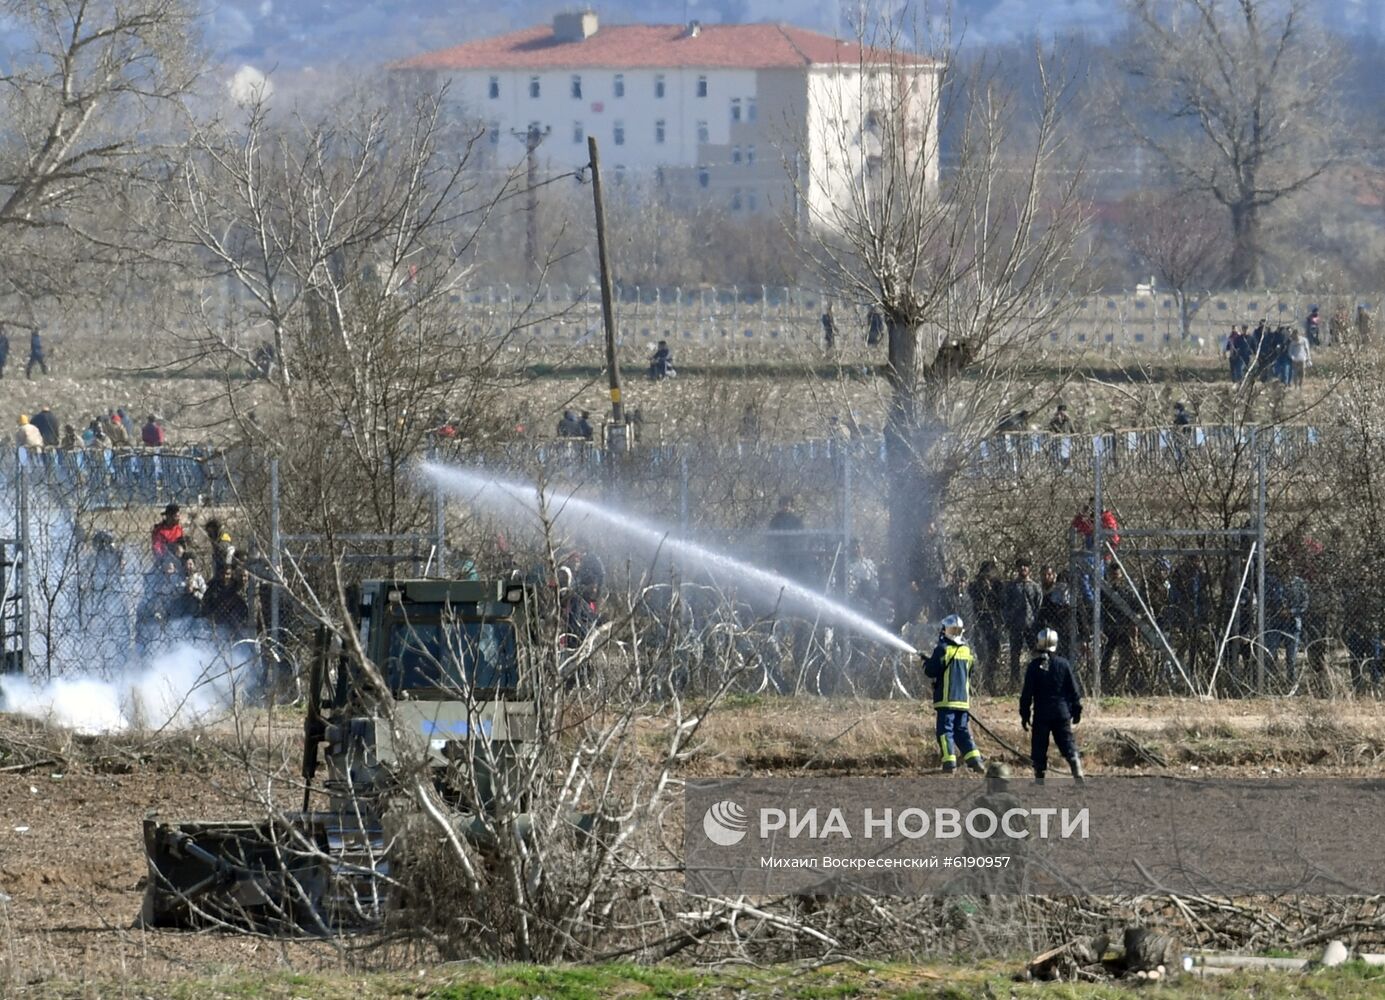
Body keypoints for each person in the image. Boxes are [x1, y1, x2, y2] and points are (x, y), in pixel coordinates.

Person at [1019, 628, 1085, 785]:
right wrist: (1076, 710)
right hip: (1062, 712)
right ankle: (1076, 765)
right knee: (1066, 742)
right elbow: (1073, 690)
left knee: (1039, 745)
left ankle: (1039, 779)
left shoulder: (1033, 667)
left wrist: (1025, 714)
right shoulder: (1064, 664)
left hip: (1042, 713)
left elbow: (1027, 694)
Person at [923, 614, 985, 774]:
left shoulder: (942, 649)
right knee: (962, 731)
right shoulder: (966, 650)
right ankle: (975, 760)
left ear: (945, 630)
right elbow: (972, 670)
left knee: (945, 732)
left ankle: (949, 763)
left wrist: (925, 662)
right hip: (963, 701)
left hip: (946, 701)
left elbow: (931, 671)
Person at [1003, 558, 1042, 689]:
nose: (1023, 568)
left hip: (1031, 626)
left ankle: (1037, 682)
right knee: (1015, 655)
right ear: (1017, 568)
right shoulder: (1011, 587)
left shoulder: (1035, 587)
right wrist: (1008, 621)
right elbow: (1006, 605)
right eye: (1021, 566)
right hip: (1015, 626)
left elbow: (1038, 606)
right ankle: (1015, 683)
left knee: (1036, 654)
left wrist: (1037, 624)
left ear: (1029, 568)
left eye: (1026, 566)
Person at [967, 561, 1004, 693]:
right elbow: (971, 600)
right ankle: (977, 683)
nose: (987, 577)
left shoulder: (998, 586)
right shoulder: (974, 586)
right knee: (980, 652)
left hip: (993, 623)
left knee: (993, 653)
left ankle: (990, 682)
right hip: (978, 623)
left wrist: (990, 590)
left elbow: (1001, 603)